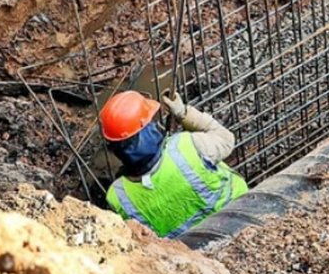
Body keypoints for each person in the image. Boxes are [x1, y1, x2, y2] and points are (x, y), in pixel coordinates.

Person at [100, 89, 248, 238]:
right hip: (243, 215)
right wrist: (183, 113)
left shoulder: (118, 196)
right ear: (147, 128)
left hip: (194, 254)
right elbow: (226, 139)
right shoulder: (186, 145)